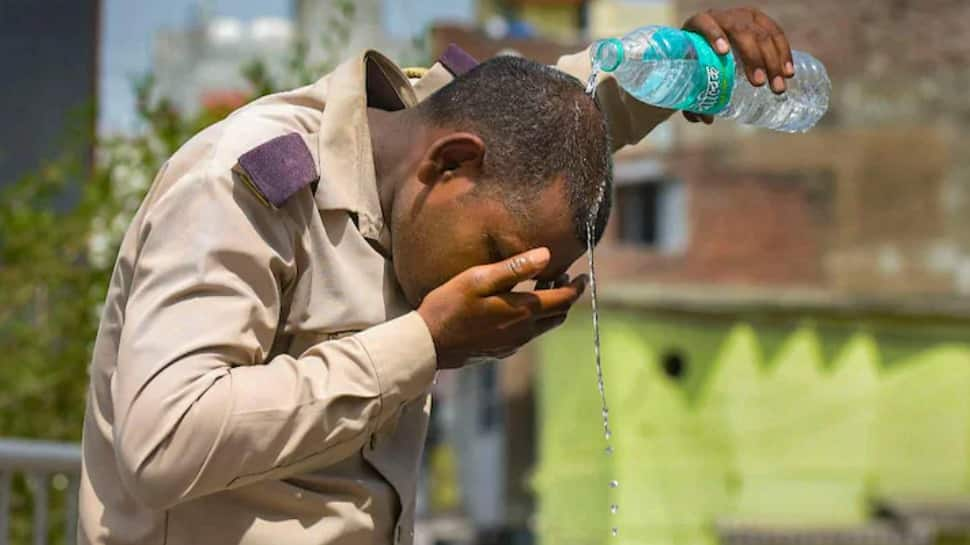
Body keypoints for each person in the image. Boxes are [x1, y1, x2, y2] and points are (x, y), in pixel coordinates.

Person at [78, 7, 797, 545]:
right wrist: (423, 343)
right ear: (448, 164)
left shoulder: (446, 137)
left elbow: (571, 103)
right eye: (498, 249)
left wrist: (694, 58)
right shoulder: (244, 186)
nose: (502, 284)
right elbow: (161, 439)